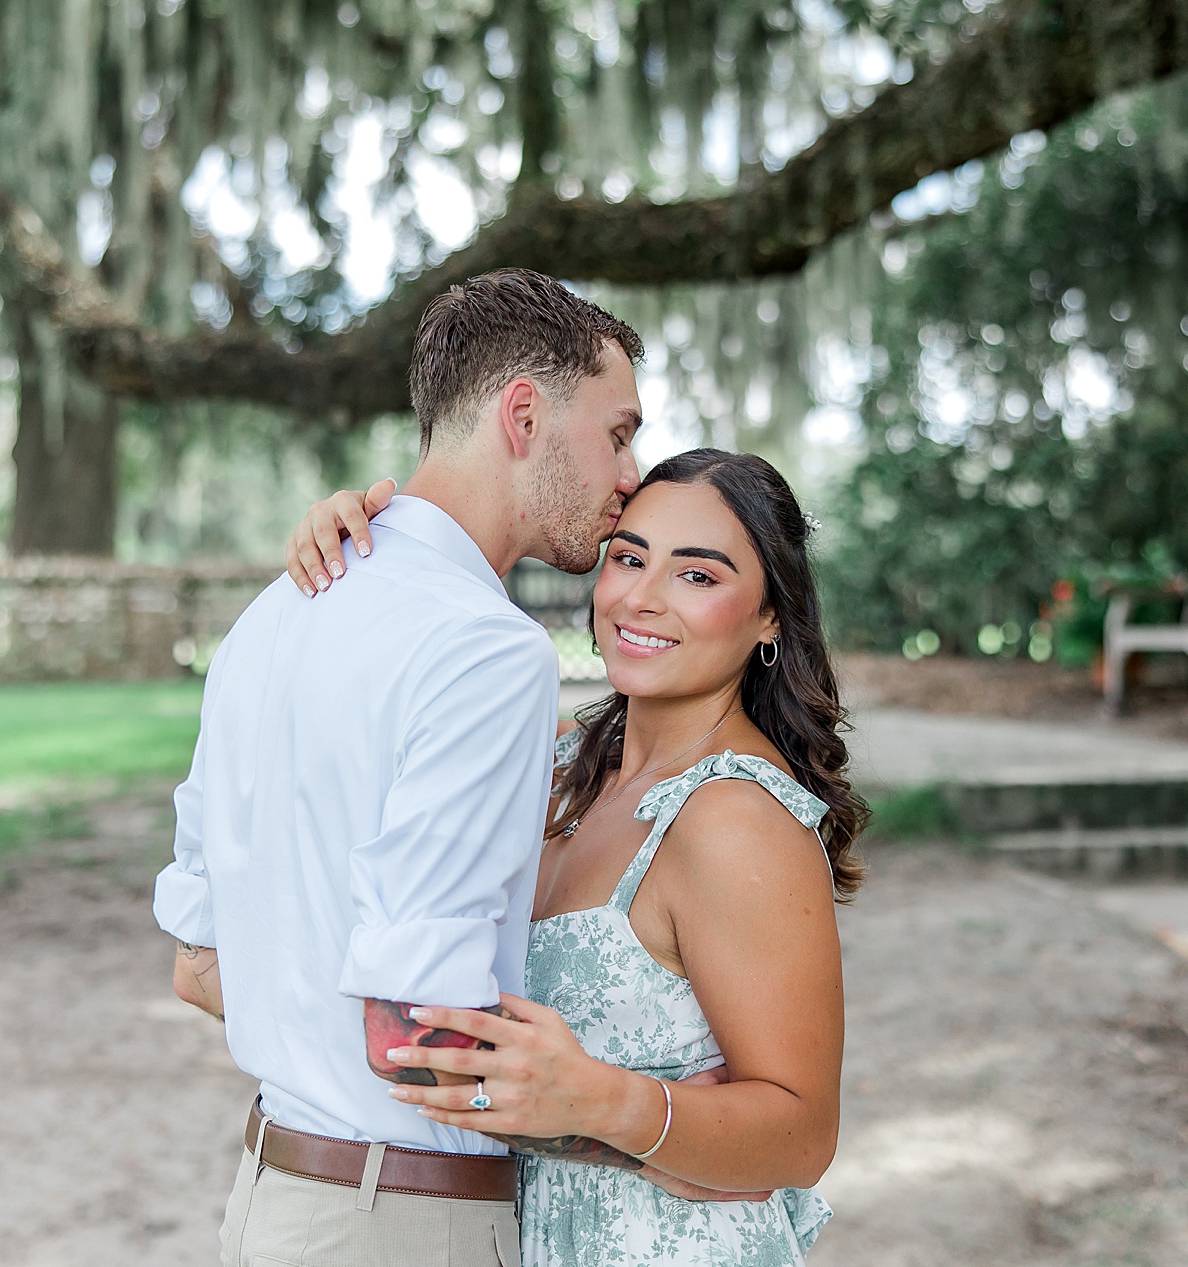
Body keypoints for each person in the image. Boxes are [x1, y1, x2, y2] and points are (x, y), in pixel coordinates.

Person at [153, 267, 646, 1267]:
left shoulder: (270, 615)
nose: (630, 475)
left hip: (271, 1201)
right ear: (522, 416)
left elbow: (199, 971)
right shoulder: (489, 648)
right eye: (619, 433)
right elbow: (414, 1042)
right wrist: (646, 1135)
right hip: (402, 1225)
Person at [285, 448, 867, 1266]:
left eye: (697, 575)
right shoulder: (557, 771)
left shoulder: (735, 817)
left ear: (770, 615)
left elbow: (802, 1135)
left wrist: (608, 1102)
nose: (641, 596)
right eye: (628, 558)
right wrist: (371, 545)